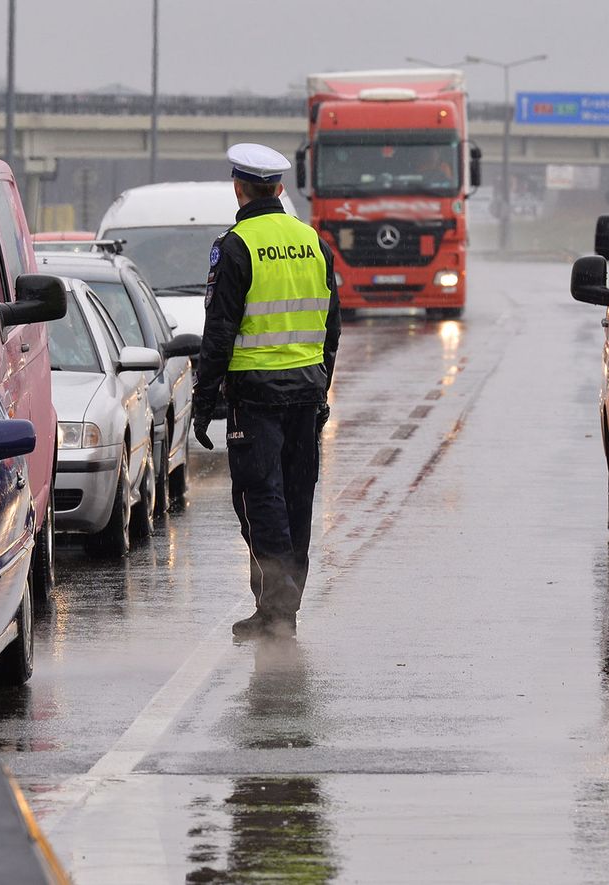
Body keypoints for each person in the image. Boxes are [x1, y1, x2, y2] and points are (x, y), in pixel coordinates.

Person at [192, 143, 342, 639]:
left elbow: (219, 331)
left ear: (239, 188)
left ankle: (277, 610)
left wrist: (203, 398)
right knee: (296, 498)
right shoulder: (312, 241)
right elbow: (332, 328)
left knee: (260, 500)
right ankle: (282, 609)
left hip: (255, 397)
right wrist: (322, 391)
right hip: (304, 392)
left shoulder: (236, 245)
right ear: (279, 188)